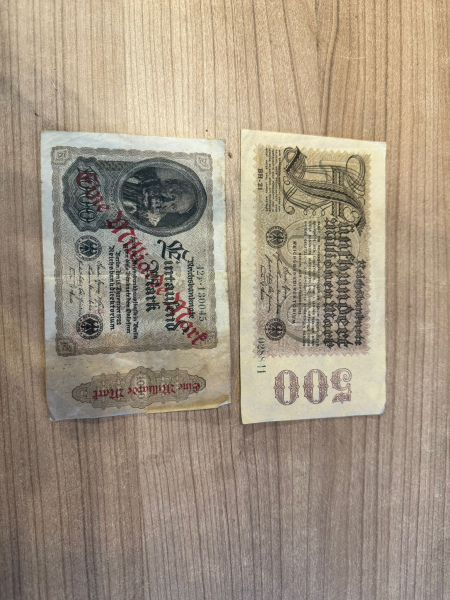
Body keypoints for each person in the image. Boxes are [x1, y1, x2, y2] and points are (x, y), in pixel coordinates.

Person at [122, 167, 197, 229]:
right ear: (167, 182)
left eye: (173, 207)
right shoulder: (145, 173)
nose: (166, 201)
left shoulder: (147, 223)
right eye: (172, 194)